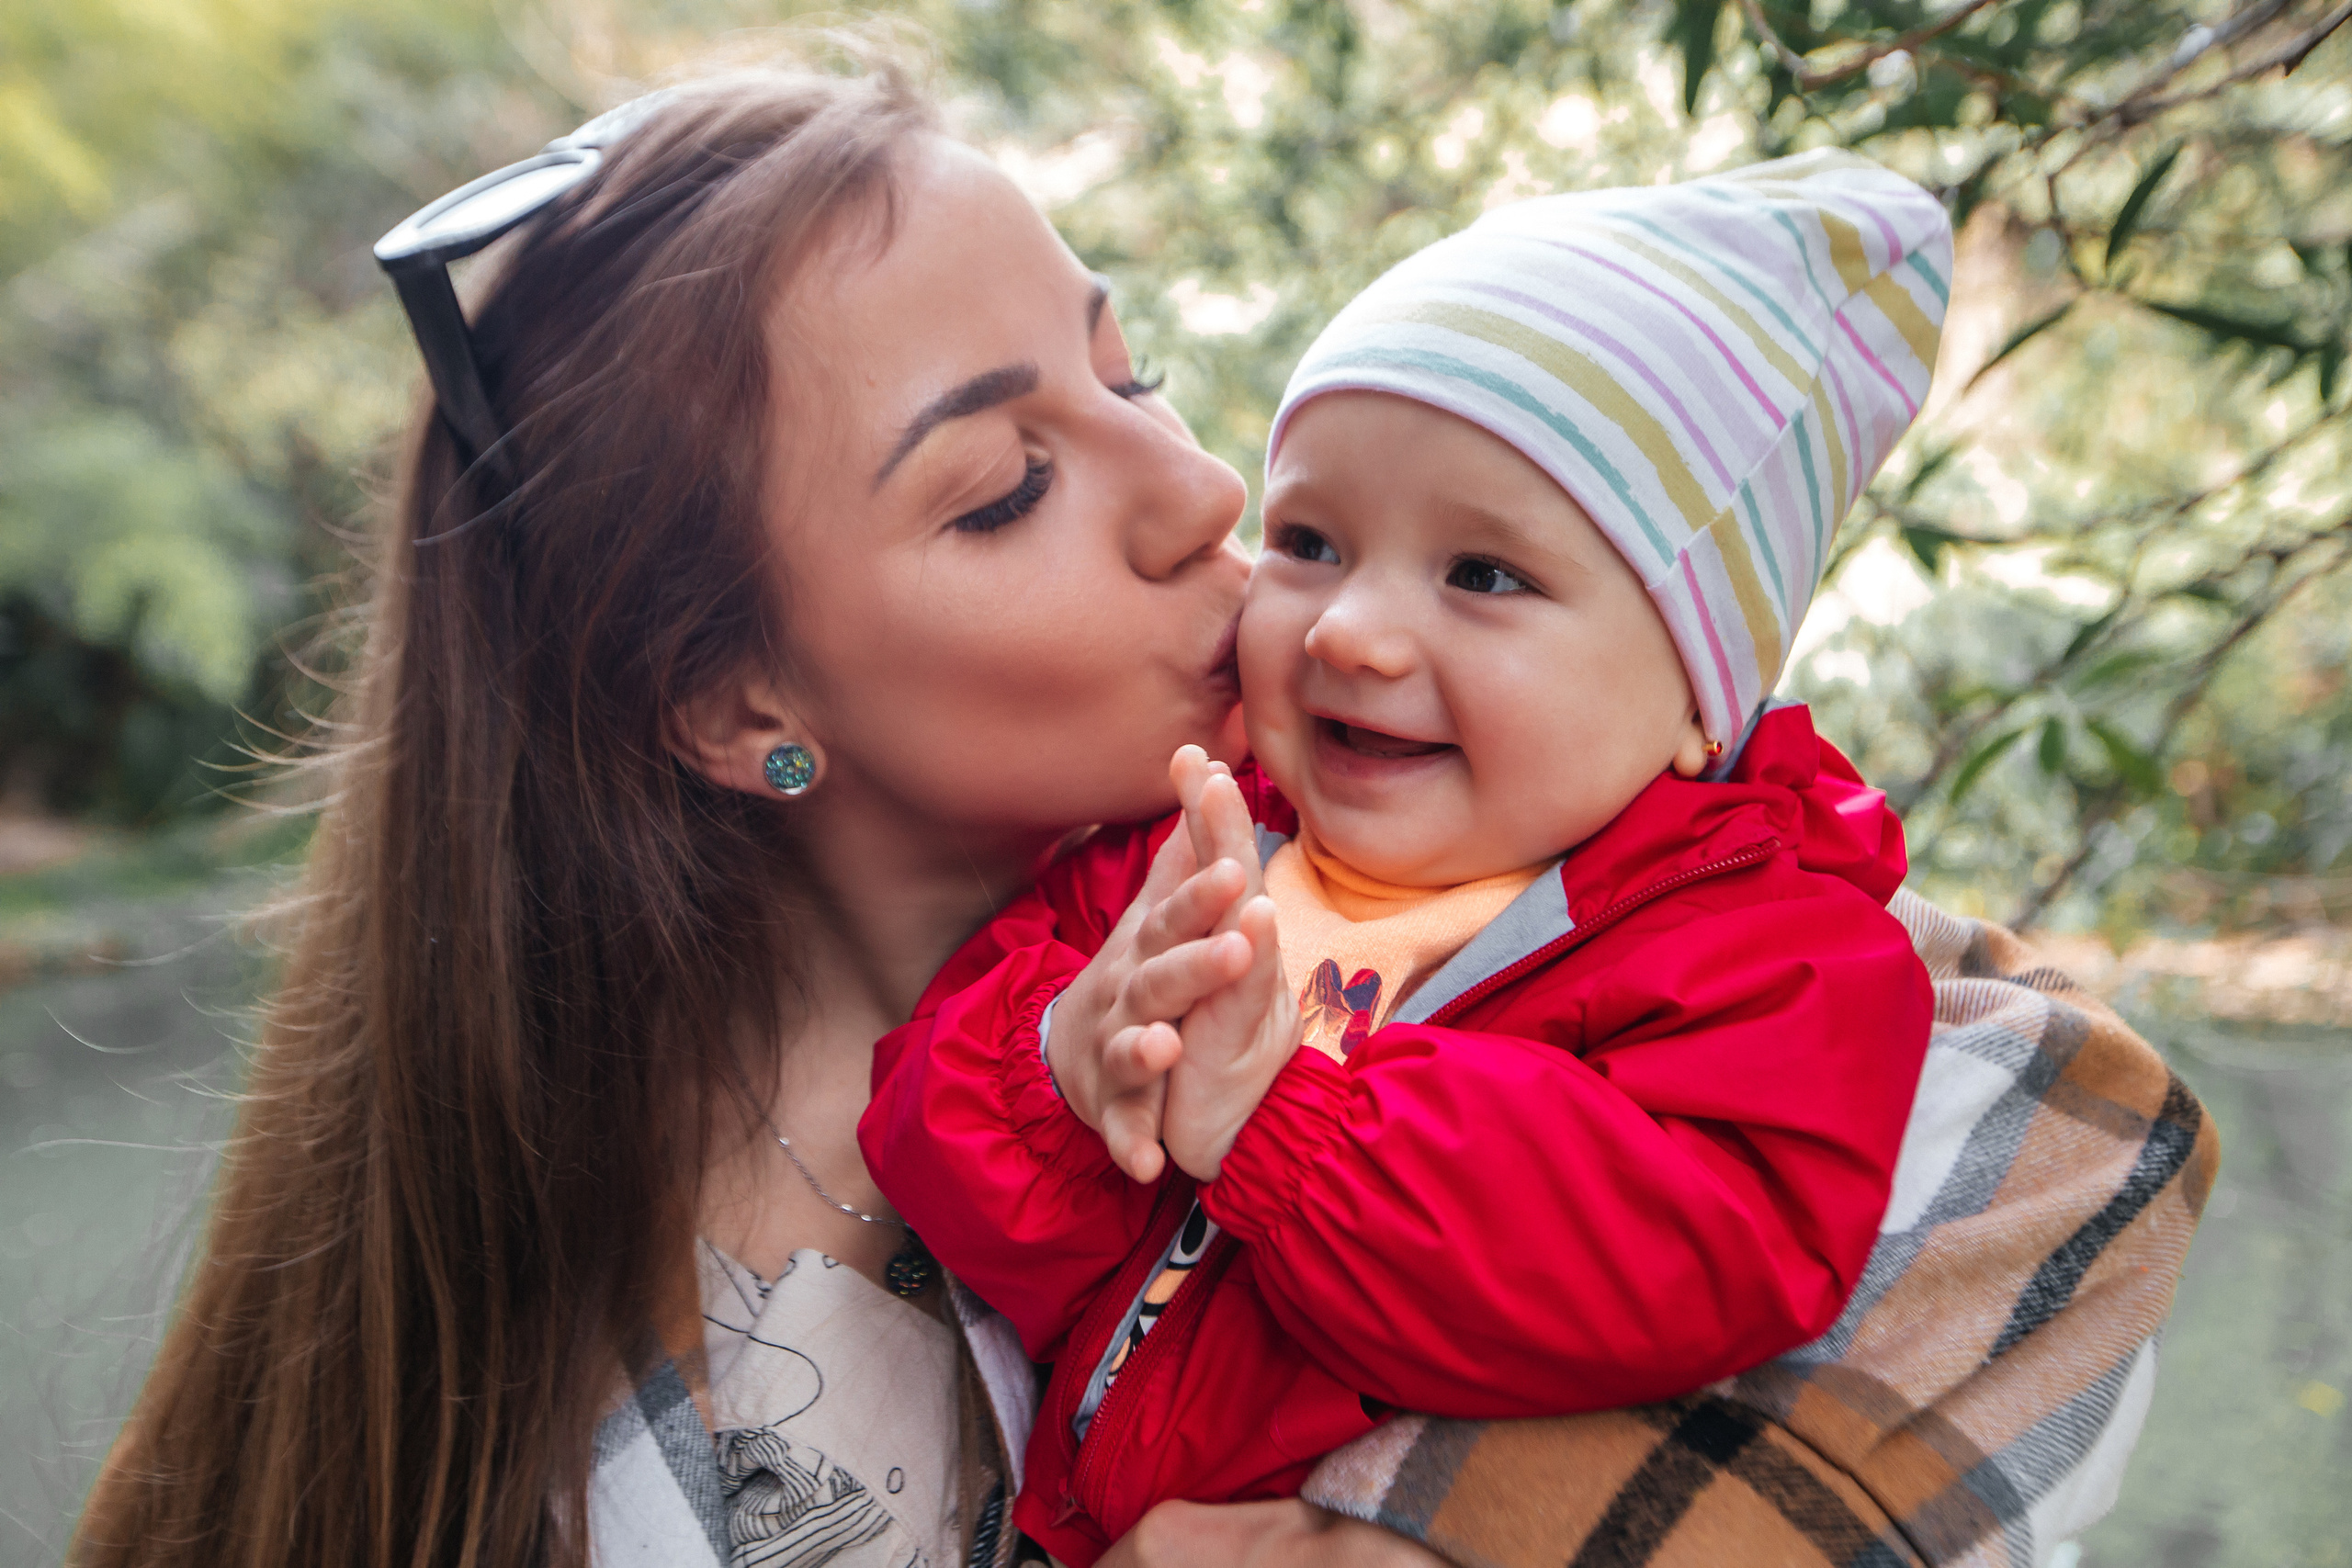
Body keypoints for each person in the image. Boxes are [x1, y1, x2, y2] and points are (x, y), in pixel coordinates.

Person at [68, 50, 2208, 1568]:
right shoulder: (625, 1381)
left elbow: (2048, 1157)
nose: (1201, 498)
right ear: (729, 705)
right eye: (1003, 487)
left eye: (1133, 368)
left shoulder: (1518, 885)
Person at [860, 153, 1952, 1565]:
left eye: (1483, 575)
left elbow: (1703, 1256)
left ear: (1699, 692)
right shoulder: (1197, 848)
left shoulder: (1766, 957)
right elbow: (968, 1190)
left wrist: (1283, 1120)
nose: (1348, 635)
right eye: (1309, 539)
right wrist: (1060, 1074)